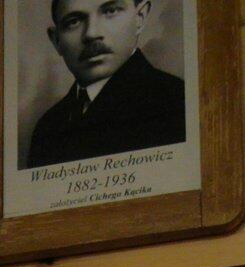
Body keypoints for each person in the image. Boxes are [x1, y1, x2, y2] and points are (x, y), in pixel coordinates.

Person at [26, 0, 188, 169]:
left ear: (139, 17)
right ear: (56, 40)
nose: (91, 33)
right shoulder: (48, 128)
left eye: (110, 11)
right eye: (73, 21)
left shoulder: (176, 102)